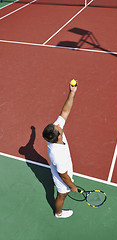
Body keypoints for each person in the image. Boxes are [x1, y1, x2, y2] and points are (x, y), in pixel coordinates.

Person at [42, 82, 78, 218]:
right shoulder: (58, 156)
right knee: (62, 195)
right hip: (62, 176)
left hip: (63, 169)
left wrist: (72, 92)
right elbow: (63, 175)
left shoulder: (54, 134)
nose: (58, 124)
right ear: (58, 136)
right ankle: (58, 213)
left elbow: (65, 111)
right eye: (57, 127)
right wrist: (72, 186)